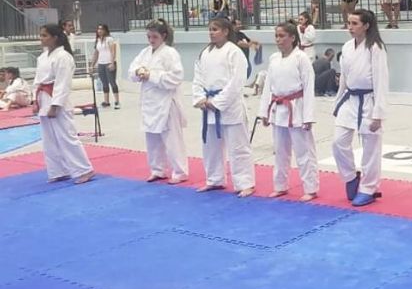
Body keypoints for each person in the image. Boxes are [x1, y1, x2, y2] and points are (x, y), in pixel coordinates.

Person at [192, 18, 256, 198]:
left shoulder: (234, 52)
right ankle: (214, 179)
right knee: (210, 146)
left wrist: (218, 102)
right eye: (210, 29)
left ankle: (245, 183)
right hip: (208, 105)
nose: (211, 32)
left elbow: (237, 82)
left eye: (215, 29)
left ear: (226, 31)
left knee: (238, 147)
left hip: (230, 105)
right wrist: (200, 98)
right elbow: (197, 78)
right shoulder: (204, 53)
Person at [332, 9, 389, 206]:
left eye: (355, 23)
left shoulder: (375, 47)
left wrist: (378, 114)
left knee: (370, 147)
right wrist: (338, 102)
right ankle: (350, 176)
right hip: (350, 99)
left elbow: (382, 81)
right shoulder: (347, 47)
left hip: (369, 100)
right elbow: (344, 78)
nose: (350, 27)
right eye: (349, 23)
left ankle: (368, 187)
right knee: (338, 142)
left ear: (366, 26)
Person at [258, 21, 319, 201]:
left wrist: (309, 116)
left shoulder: (302, 58)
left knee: (304, 151)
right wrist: (264, 112)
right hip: (278, 108)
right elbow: (268, 86)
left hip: (297, 108)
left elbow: (309, 88)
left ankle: (310, 187)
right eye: (276, 36)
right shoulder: (274, 59)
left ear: (293, 38)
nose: (278, 39)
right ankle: (280, 185)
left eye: (282, 36)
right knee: (280, 151)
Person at [128, 19, 189, 184]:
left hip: (167, 102)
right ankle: (158, 169)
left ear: (163, 36)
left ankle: (180, 171)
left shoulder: (170, 53)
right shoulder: (145, 52)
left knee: (172, 139)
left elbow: (176, 77)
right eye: (148, 37)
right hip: (149, 101)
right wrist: (138, 70)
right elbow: (131, 70)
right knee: (152, 138)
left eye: (154, 37)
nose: (151, 40)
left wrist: (151, 76)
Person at [33, 24, 95, 184]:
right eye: (40, 35)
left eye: (44, 35)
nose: (41, 38)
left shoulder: (64, 57)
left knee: (67, 137)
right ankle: (59, 170)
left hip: (56, 99)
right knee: (49, 139)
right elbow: (37, 81)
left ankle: (84, 170)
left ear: (54, 37)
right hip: (43, 98)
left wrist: (55, 105)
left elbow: (63, 83)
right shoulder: (42, 57)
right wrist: (35, 101)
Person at [91, 24, 120, 109]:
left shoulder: (109, 39)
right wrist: (92, 65)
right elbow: (96, 53)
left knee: (112, 82)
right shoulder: (97, 40)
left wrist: (112, 63)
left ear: (105, 30)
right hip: (101, 63)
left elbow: (113, 51)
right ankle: (106, 101)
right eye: (98, 29)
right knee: (104, 83)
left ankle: (117, 101)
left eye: (101, 29)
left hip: (109, 63)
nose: (99, 31)